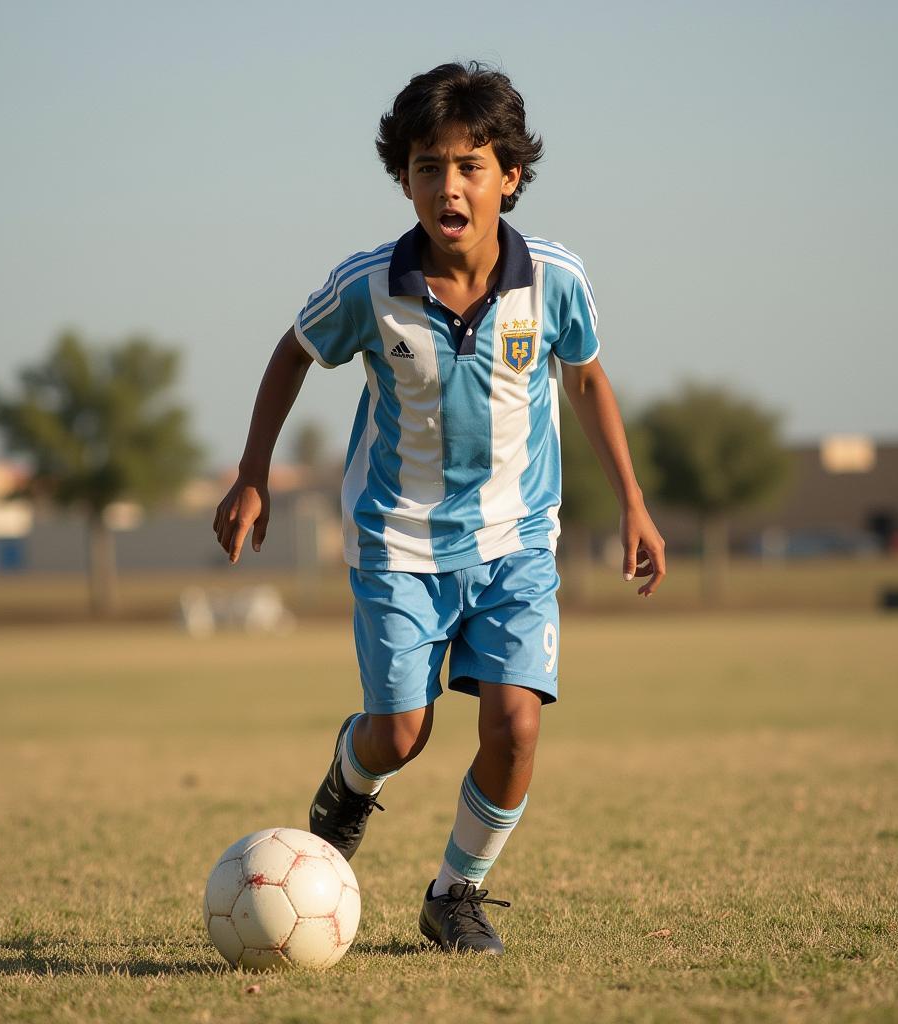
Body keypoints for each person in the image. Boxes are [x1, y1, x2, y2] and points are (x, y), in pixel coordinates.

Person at [213, 61, 666, 956]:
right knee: (400, 733)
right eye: (427, 166)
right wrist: (253, 470)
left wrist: (635, 503)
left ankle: (456, 892)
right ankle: (349, 783)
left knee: (517, 724)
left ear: (511, 175)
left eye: (468, 164)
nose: (447, 185)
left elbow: (585, 377)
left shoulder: (556, 279)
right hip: (397, 541)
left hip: (518, 539)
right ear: (405, 177)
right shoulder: (368, 285)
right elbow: (293, 352)